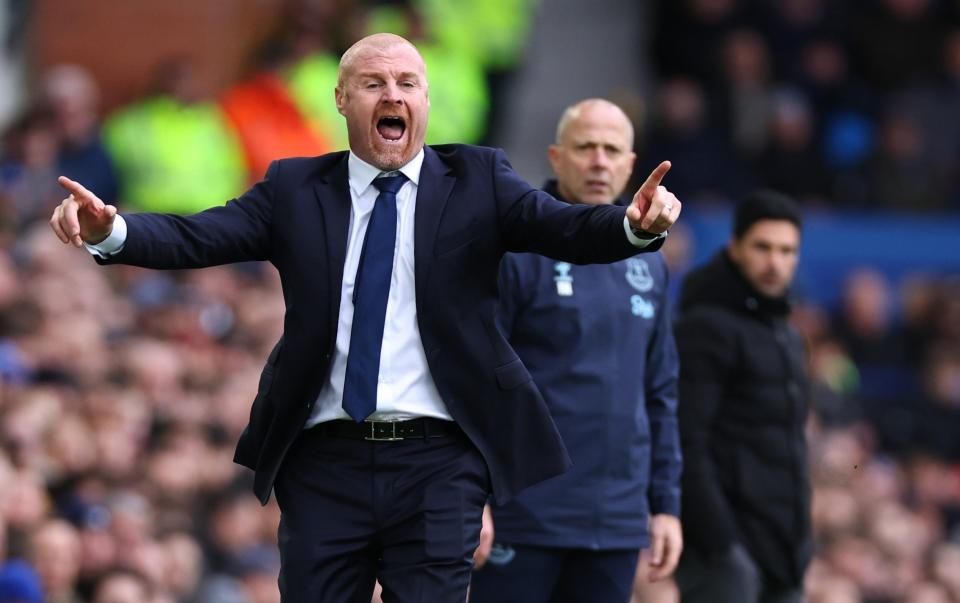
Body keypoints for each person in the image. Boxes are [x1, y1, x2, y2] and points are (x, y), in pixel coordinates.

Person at [48, 33, 682, 603]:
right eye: (374, 83)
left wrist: (633, 226)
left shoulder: (478, 179)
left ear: (426, 102)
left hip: (440, 461)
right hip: (326, 460)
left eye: (407, 83)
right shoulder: (295, 189)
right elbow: (200, 235)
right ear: (343, 99)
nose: (393, 95)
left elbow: (564, 226)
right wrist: (114, 230)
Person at [470, 98, 682, 603]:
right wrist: (472, 497)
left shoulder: (648, 264)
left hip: (614, 521)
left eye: (612, 150)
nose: (599, 161)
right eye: (585, 147)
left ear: (631, 164)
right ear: (555, 156)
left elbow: (660, 391)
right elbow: (475, 381)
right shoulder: (515, 249)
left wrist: (666, 504)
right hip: (523, 515)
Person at [673, 191, 810, 603]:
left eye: (787, 251)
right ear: (735, 249)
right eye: (763, 247)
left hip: (782, 550)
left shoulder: (785, 332)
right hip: (727, 554)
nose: (775, 262)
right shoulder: (705, 328)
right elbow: (686, 440)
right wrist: (720, 543)